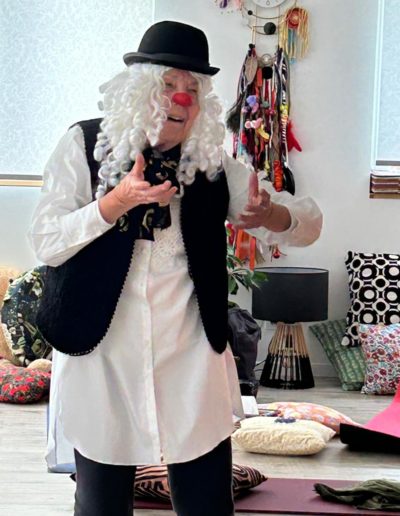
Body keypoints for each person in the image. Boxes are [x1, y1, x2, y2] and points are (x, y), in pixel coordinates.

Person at [29, 20, 322, 516]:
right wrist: (115, 203)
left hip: (190, 362)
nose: (181, 98)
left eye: (193, 88)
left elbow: (305, 226)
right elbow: (46, 241)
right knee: (100, 505)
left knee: (208, 502)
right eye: (168, 84)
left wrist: (270, 214)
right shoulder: (83, 145)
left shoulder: (212, 165)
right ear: (141, 90)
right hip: (102, 357)